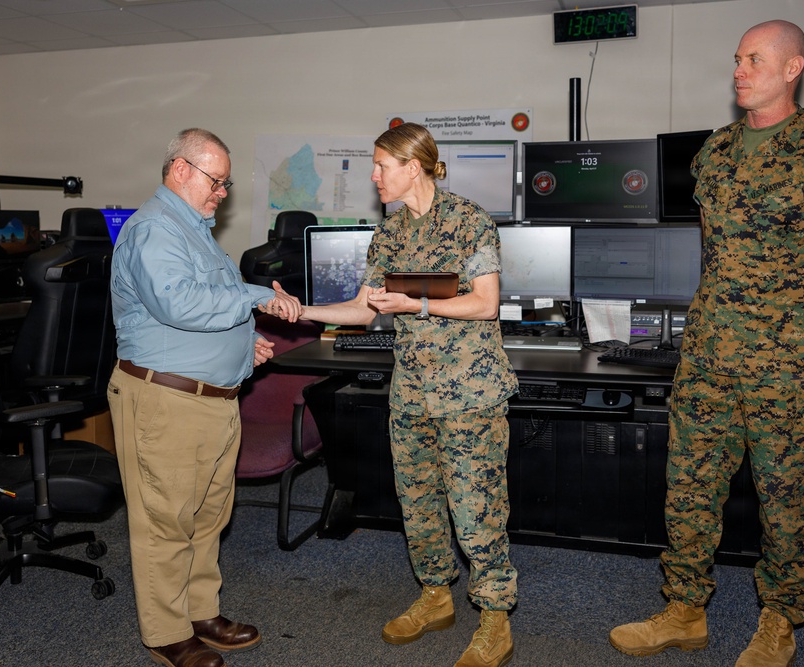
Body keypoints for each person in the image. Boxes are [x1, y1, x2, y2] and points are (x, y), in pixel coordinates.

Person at [608, 20, 804, 667]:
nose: (739, 69)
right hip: (709, 358)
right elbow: (718, 251)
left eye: (754, 59)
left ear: (793, 68)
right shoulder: (715, 152)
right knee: (690, 486)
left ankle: (780, 619)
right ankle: (684, 609)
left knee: (785, 492)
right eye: (736, 59)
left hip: (788, 366)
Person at [279, 122, 518, 667]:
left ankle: (495, 618)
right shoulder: (388, 233)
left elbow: (485, 303)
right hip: (411, 392)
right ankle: (436, 595)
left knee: (476, 508)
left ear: (414, 166)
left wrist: (418, 307)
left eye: (382, 165)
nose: (374, 175)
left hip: (468, 393)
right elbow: (365, 308)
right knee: (418, 503)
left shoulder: (468, 221)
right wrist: (303, 310)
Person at [107, 128, 302, 667]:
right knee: (165, 522)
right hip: (165, 402)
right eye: (216, 181)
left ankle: (199, 612)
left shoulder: (193, 230)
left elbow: (210, 310)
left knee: (208, 517)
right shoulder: (153, 230)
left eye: (226, 182)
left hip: (212, 400)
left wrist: (245, 346)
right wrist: (259, 296)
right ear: (180, 170)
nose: (223, 192)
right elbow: (180, 305)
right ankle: (166, 634)